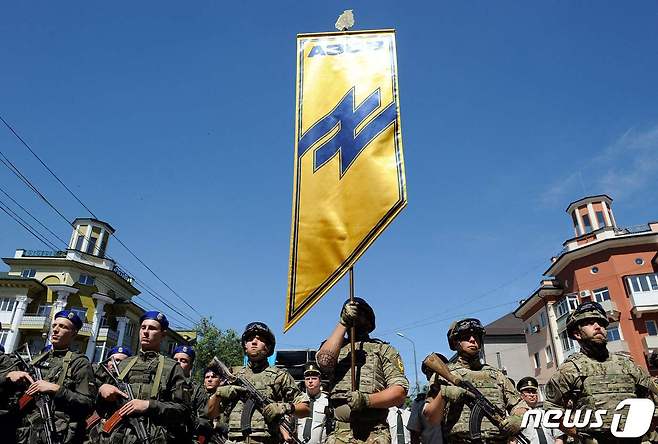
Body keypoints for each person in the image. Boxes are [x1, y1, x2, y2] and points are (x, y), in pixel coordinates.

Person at [543, 301, 657, 443]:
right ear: (577, 334)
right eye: (590, 323)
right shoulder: (569, 370)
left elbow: (653, 398)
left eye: (602, 324)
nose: (598, 327)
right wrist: (578, 434)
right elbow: (551, 409)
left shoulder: (628, 365)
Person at [316, 297, 409, 444]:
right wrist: (343, 323)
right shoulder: (335, 347)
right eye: (350, 312)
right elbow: (324, 362)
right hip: (339, 433)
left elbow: (399, 393)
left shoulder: (384, 350)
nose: (355, 316)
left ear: (369, 320)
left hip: (374, 433)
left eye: (360, 313)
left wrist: (367, 400)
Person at [423, 318, 528, 444]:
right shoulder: (444, 376)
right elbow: (430, 418)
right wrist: (443, 395)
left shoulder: (496, 375)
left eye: (476, 336)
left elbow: (519, 404)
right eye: (466, 337)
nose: (473, 340)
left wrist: (517, 418)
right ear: (456, 342)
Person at [97, 310, 191, 443]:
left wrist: (148, 405)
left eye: (152, 328)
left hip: (151, 437)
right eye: (143, 327)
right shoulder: (123, 365)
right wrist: (102, 391)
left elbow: (183, 410)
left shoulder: (172, 368)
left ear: (163, 335)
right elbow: (99, 406)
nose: (146, 332)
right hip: (117, 436)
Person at [209, 321, 309, 444]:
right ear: (245, 345)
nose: (254, 342)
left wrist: (284, 407)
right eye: (250, 339)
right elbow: (210, 413)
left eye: (260, 339)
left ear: (268, 347)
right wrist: (218, 394)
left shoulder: (279, 376)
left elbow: (305, 409)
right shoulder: (233, 375)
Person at [6, 310, 96, 444]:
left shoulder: (80, 363)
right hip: (23, 430)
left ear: (74, 333)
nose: (55, 330)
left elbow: (87, 403)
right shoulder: (38, 358)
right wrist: (11, 376)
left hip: (54, 432)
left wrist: (56, 389)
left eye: (63, 327)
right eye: (54, 325)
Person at [515, 377, 563, 444]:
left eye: (534, 392)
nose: (532, 395)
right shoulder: (517, 414)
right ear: (521, 395)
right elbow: (513, 440)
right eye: (528, 392)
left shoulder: (546, 412)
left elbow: (558, 438)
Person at [407, 358, 442, 444]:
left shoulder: (457, 395)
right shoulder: (420, 402)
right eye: (432, 372)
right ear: (427, 375)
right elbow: (414, 434)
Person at [296, 362, 328, 444]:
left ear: (320, 380)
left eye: (314, 378)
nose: (310, 381)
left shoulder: (327, 401)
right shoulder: (298, 400)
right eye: (307, 379)